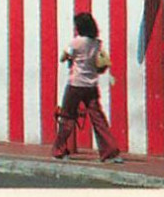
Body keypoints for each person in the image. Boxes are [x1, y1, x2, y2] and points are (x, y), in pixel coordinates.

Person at [51, 11, 122, 163]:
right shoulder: (97, 43)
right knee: (98, 119)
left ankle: (59, 150)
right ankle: (110, 152)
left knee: (67, 117)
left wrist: (70, 57)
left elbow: (63, 58)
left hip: (75, 84)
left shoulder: (76, 42)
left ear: (79, 27)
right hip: (91, 85)